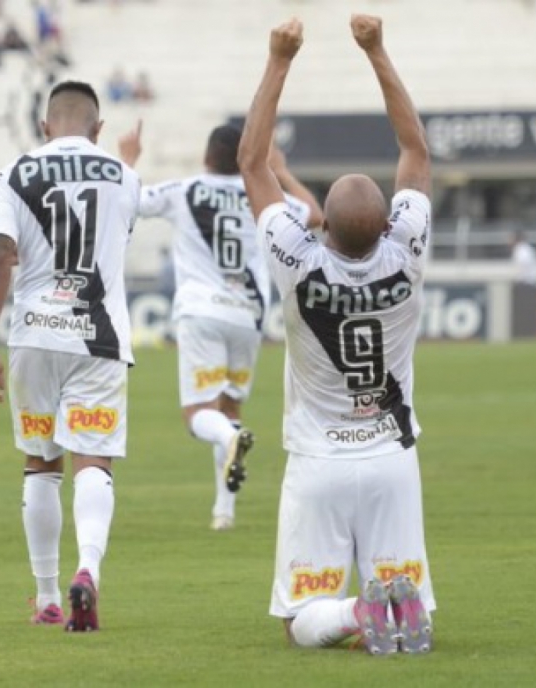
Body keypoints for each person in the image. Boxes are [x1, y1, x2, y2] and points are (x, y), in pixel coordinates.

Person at [237, 16, 435, 655]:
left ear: (326, 229)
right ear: (386, 225)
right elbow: (416, 154)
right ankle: (392, 605)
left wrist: (279, 59)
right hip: (392, 460)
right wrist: (377, 50)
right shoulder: (406, 252)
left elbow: (251, 163)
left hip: (319, 460)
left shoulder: (298, 261)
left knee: (300, 620)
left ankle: (356, 608)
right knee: (403, 590)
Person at [0, 80, 140, 632]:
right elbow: (113, 239)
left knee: (40, 465)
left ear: (45, 126)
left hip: (34, 338)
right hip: (99, 339)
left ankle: (47, 597)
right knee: (92, 459)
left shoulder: (16, 172)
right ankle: (87, 570)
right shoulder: (125, 175)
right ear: (98, 129)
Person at [118, 121, 323, 531]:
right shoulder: (263, 196)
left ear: (206, 156)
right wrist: (278, 171)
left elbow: (128, 201)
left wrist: (128, 159)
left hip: (201, 310)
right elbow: (315, 215)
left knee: (199, 416)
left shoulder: (184, 190)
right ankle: (223, 513)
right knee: (229, 408)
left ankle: (230, 440)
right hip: (247, 316)